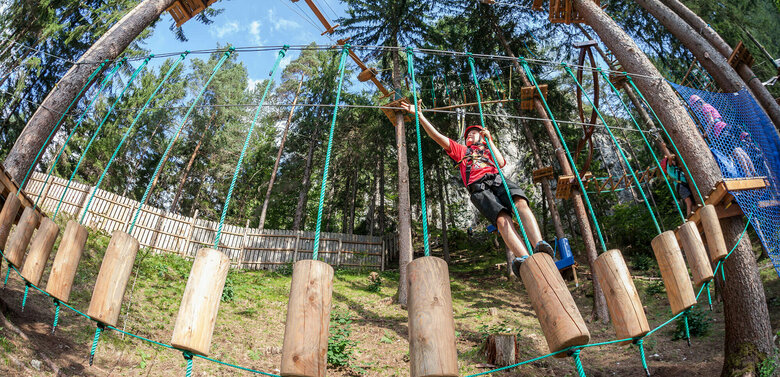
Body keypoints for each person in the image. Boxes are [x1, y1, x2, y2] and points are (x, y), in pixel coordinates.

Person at [400, 101, 553, 276]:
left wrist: (490, 141)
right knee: (502, 221)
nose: (470, 136)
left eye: (474, 133)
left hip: (497, 180)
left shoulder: (488, 150)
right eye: (468, 135)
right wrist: (420, 116)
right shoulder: (461, 151)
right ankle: (525, 259)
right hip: (479, 188)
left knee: (520, 203)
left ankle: (539, 242)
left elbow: (501, 162)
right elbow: (437, 136)